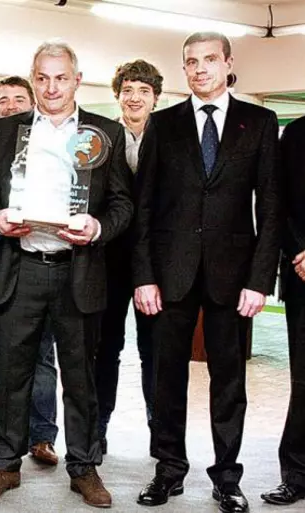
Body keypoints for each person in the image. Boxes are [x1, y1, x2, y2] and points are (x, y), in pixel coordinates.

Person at [0, 40, 132, 508]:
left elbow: (123, 203)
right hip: (20, 268)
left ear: (77, 80)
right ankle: (4, 466)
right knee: (11, 374)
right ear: (33, 79)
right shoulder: (5, 131)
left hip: (77, 271)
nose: (51, 86)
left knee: (80, 378)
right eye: (42, 77)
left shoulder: (105, 132)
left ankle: (83, 468)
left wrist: (100, 226)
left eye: (61, 77)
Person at [134, 32, 280, 513]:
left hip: (233, 277)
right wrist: (144, 275)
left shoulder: (259, 122)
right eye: (191, 62)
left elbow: (271, 207)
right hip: (170, 274)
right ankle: (168, 470)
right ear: (184, 69)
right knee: (167, 380)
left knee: (229, 383)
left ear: (227, 63)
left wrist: (261, 280)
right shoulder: (163, 124)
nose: (200, 69)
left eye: (209, 60)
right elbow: (145, 207)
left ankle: (227, 477)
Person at [0, 74, 60, 467]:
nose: (9, 106)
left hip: (37, 264)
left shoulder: (47, 148)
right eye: (1, 100)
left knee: (41, 354)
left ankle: (42, 437)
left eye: (18, 99)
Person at [95, 59, 163, 455]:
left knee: (155, 350)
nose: (134, 97)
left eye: (143, 91)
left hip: (155, 264)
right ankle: (98, 429)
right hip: (109, 259)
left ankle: (160, 430)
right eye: (128, 90)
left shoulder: (168, 136)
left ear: (155, 97)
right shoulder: (102, 136)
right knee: (106, 347)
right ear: (117, 94)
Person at [260, 115, 305, 507]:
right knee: (304, 382)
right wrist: (298, 252)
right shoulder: (297, 133)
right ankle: (296, 474)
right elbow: (278, 205)